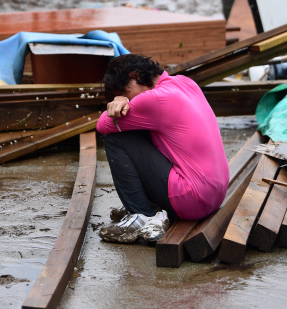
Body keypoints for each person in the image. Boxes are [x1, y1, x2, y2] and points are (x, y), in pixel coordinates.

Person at [96, 54, 229, 244]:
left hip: (192, 200)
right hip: (215, 195)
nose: (127, 100)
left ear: (134, 76)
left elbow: (102, 125)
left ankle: (143, 216)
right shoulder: (184, 82)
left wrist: (120, 100)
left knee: (116, 139)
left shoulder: (154, 99)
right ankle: (149, 208)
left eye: (125, 93)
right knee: (137, 128)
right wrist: (123, 96)